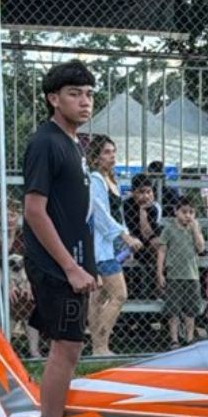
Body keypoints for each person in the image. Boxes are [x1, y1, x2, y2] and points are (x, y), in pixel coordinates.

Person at [21, 59, 98, 417]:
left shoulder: (72, 143)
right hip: (55, 266)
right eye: (74, 94)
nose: (84, 102)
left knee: (71, 347)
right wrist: (69, 266)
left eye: (88, 94)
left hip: (75, 264)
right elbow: (35, 211)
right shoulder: (47, 143)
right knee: (64, 348)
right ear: (53, 99)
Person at [86, 135, 141, 356]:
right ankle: (100, 345)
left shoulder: (113, 180)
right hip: (100, 248)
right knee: (119, 295)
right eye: (107, 152)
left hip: (110, 247)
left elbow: (118, 215)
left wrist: (124, 237)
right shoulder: (96, 179)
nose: (112, 156)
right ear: (97, 157)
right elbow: (100, 212)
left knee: (99, 297)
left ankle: (98, 346)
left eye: (113, 152)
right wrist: (124, 236)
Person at [156, 195, 205, 347]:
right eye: (184, 212)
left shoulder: (194, 229)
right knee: (174, 309)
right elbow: (162, 251)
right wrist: (160, 272)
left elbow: (201, 248)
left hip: (192, 276)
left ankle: (190, 338)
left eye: (191, 212)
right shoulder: (169, 229)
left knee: (191, 310)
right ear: (176, 212)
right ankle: (174, 338)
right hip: (174, 275)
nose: (188, 216)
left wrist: (195, 229)